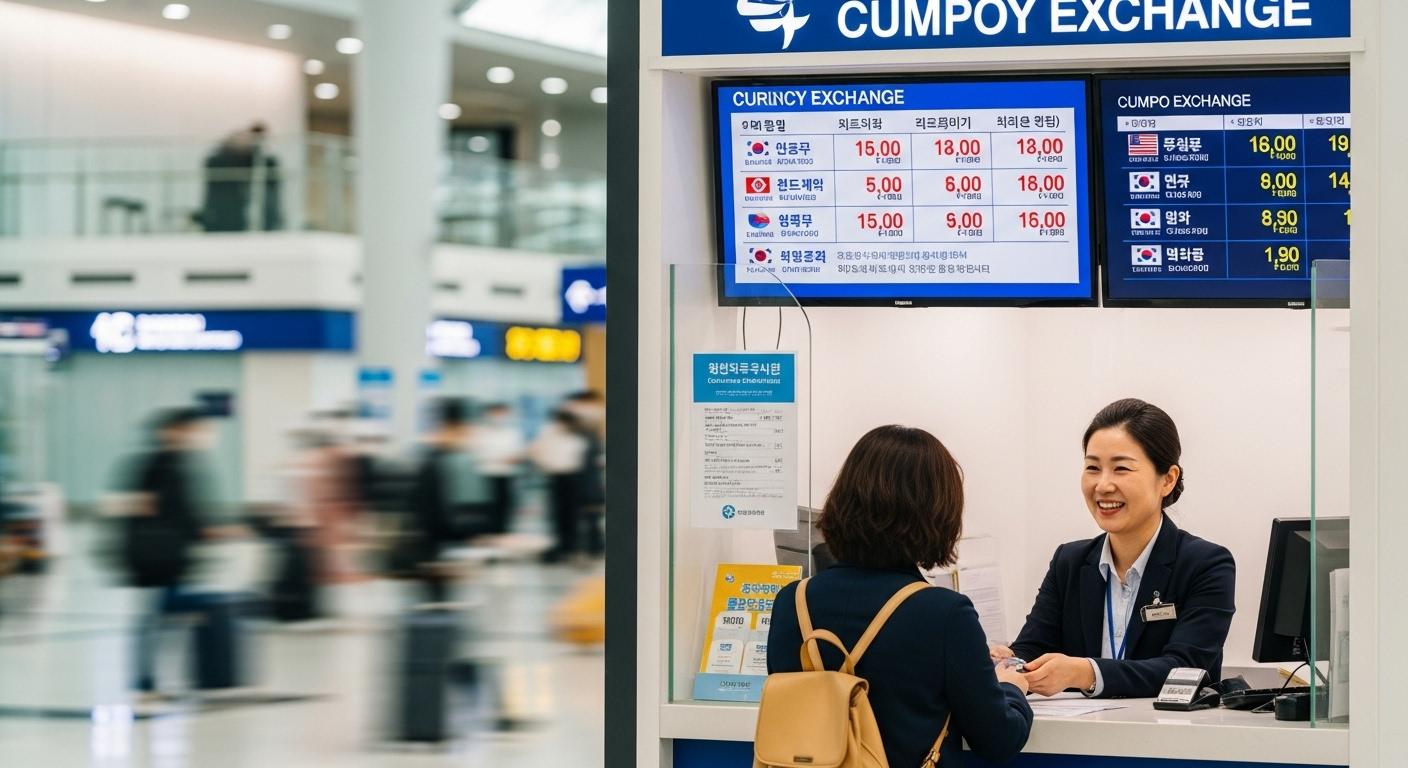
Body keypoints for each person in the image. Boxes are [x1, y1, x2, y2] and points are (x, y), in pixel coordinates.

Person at [767, 425, 1032, 767]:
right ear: (938, 513)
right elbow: (998, 738)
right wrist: (1011, 687)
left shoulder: (792, 601)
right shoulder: (944, 613)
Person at [997, 398, 1236, 698]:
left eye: (1121, 468)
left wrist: (1087, 673)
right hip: (1077, 741)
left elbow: (1186, 669)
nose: (1103, 485)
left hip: (1172, 739)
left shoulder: (1206, 564)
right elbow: (1033, 648)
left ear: (1167, 479)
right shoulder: (1069, 562)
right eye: (1093, 468)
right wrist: (1008, 661)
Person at [120, 408, 223, 696]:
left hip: (173, 554)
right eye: (188, 430)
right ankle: (145, 678)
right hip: (158, 555)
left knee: (163, 616)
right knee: (156, 617)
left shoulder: (181, 465)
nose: (193, 436)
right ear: (170, 432)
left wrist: (204, 530)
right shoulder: (155, 466)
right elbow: (145, 508)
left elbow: (186, 511)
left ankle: (154, 677)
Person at [406, 398, 491, 603]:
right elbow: (432, 511)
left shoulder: (439, 457)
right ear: (452, 427)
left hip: (438, 544)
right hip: (433, 546)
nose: (468, 435)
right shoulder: (434, 460)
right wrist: (465, 534)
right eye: (464, 430)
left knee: (439, 602)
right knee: (435, 603)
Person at [530, 410, 589, 563]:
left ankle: (572, 548)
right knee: (556, 514)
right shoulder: (548, 437)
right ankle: (560, 547)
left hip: (573, 478)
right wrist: (543, 465)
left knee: (572, 516)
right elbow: (536, 452)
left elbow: (579, 461)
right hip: (555, 477)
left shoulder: (578, 439)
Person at [469, 403, 525, 535]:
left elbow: (519, 452)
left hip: (507, 474)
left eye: (503, 414)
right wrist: (497, 459)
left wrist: (515, 457)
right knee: (490, 507)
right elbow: (476, 453)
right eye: (496, 413)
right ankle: (489, 533)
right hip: (487, 474)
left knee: (506, 506)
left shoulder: (513, 432)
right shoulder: (480, 432)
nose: (499, 417)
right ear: (488, 414)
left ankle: (503, 532)